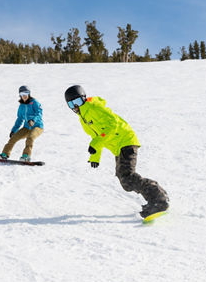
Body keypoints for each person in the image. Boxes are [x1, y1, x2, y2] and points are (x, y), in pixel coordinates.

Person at [64, 84, 169, 218]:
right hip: (118, 147)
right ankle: (158, 194)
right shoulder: (83, 117)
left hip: (126, 141)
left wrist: (95, 143)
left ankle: (158, 199)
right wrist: (95, 156)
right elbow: (97, 136)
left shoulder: (94, 108)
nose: (76, 106)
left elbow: (112, 125)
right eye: (72, 104)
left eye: (78, 101)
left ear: (84, 98)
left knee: (128, 177)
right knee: (125, 181)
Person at [0, 85, 44, 161]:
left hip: (37, 127)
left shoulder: (34, 103)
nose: (24, 96)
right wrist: (13, 130)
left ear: (29, 93)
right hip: (26, 127)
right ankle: (4, 154)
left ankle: (26, 156)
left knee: (30, 138)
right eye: (22, 94)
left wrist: (33, 120)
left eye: (26, 93)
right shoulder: (21, 106)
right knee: (13, 138)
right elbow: (19, 119)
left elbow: (39, 113)